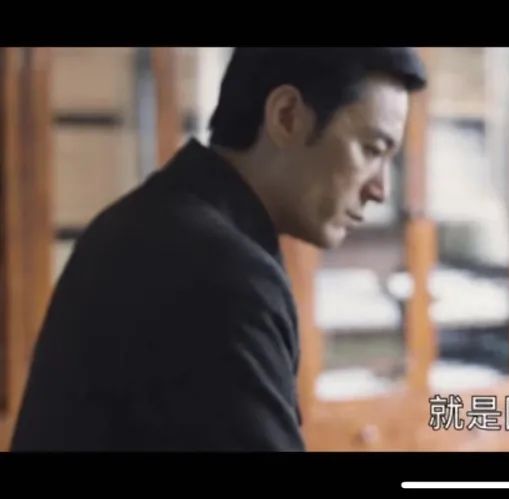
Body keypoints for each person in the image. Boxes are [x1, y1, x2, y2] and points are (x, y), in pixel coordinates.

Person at [11, 48, 427, 451]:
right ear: (286, 116)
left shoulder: (152, 220)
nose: (380, 190)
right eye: (371, 150)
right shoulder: (223, 275)